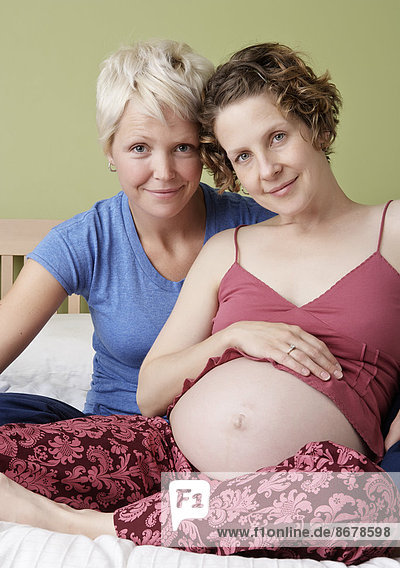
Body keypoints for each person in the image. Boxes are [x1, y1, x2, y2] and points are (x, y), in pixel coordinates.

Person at [0, 42, 398, 566]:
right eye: (243, 157)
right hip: (165, 451)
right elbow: (149, 394)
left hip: (307, 475)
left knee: (373, 506)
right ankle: (163, 519)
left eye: (278, 137)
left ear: (317, 126)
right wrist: (231, 338)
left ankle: (88, 526)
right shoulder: (226, 246)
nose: (268, 169)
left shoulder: (380, 228)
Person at [0, 39, 274, 424]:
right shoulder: (86, 240)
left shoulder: (257, 227)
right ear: (110, 150)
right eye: (139, 148)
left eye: (183, 147)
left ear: (207, 148)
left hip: (224, 441)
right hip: (110, 443)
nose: (163, 172)